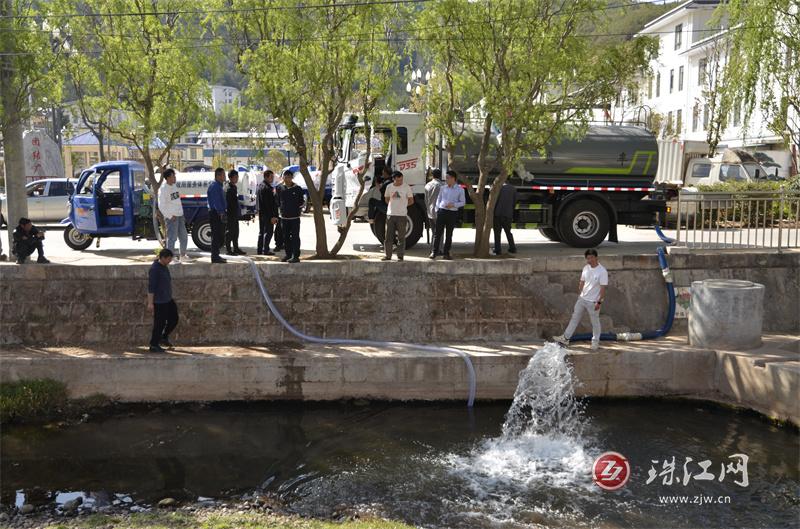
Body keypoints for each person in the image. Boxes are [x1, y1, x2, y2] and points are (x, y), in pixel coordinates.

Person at [553, 248, 608, 351]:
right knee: (574, 318)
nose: (590, 260)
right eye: (588, 258)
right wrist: (580, 293)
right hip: (582, 299)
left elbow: (603, 288)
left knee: (595, 322)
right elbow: (582, 281)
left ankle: (595, 342)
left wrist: (599, 302)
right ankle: (565, 338)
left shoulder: (602, 271)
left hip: (593, 302)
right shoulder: (586, 268)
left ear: (596, 257)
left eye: (591, 257)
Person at [147, 248, 178, 353]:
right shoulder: (155, 269)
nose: (170, 261)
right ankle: (153, 344)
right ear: (163, 258)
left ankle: (163, 337)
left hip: (168, 299)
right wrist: (150, 303)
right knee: (159, 323)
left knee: (174, 319)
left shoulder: (164, 267)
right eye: (169, 259)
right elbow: (151, 287)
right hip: (159, 301)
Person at [430, 170, 465, 260]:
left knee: (449, 234)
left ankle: (446, 253)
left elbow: (463, 202)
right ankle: (434, 252)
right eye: (446, 178)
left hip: (452, 213)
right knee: (437, 233)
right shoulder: (443, 188)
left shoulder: (460, 189)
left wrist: (453, 205)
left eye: (448, 178)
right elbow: (439, 199)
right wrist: (437, 209)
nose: (446, 180)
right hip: (442, 212)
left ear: (453, 179)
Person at [158, 168, 190, 262]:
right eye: (173, 176)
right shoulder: (163, 189)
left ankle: (183, 256)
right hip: (172, 217)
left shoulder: (174, 186)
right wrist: (170, 216)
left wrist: (181, 213)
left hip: (179, 215)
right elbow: (161, 205)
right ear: (168, 178)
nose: (175, 177)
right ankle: (170, 258)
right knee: (172, 238)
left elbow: (176, 201)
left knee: (184, 236)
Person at [382, 170, 413, 261]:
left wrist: (403, 205)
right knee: (388, 237)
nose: (400, 182)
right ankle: (388, 255)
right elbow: (387, 199)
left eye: (401, 180)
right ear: (394, 179)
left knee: (401, 237)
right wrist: (393, 206)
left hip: (402, 215)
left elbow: (411, 200)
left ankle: (400, 256)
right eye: (398, 180)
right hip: (390, 215)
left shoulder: (406, 187)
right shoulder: (389, 187)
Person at [276, 169, 305, 263]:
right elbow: (277, 201)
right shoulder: (279, 188)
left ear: (292, 178)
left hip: (295, 218)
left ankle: (295, 256)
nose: (287, 179)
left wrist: (297, 209)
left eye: (289, 177)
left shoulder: (298, 188)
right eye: (285, 177)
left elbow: (302, 202)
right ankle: (288, 255)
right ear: (283, 177)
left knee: (295, 237)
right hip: (284, 218)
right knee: (286, 237)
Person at [207, 167, 227, 263]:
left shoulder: (219, 185)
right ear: (218, 175)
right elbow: (216, 202)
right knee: (216, 236)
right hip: (216, 213)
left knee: (218, 235)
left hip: (218, 213)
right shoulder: (215, 186)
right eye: (223, 174)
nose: (225, 176)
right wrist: (221, 213)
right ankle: (215, 257)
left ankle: (216, 255)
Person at [256, 170, 279, 255]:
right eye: (271, 177)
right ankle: (265, 250)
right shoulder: (266, 188)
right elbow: (268, 204)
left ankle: (260, 249)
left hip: (262, 213)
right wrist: (272, 216)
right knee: (268, 232)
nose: (272, 179)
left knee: (262, 232)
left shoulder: (260, 186)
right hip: (267, 214)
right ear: (266, 177)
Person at [493, 180, 517, 255]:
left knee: (497, 233)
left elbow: (494, 201)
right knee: (508, 232)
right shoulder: (513, 189)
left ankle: (498, 250)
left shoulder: (499, 187)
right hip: (508, 214)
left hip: (498, 213)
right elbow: (514, 202)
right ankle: (512, 248)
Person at [225, 169, 245, 255]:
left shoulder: (234, 187)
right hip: (230, 214)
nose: (237, 179)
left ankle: (236, 248)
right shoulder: (228, 188)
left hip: (234, 214)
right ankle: (229, 250)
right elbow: (229, 203)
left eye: (237, 177)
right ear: (230, 178)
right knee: (230, 232)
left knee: (236, 232)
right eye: (235, 177)